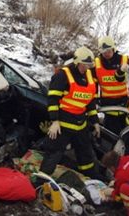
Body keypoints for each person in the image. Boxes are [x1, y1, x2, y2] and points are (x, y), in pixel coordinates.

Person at [39, 46, 102, 180]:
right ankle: (41, 182)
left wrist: (95, 121)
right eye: (84, 65)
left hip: (80, 125)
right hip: (63, 124)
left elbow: (90, 102)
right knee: (53, 154)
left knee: (86, 155)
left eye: (89, 65)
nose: (87, 68)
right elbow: (53, 99)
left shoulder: (90, 76)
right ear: (77, 62)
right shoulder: (62, 75)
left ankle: (92, 180)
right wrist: (55, 121)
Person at [94, 36, 129, 135]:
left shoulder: (124, 60)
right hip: (107, 104)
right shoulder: (96, 63)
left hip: (124, 103)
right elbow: (93, 85)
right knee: (109, 133)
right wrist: (94, 100)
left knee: (125, 133)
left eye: (108, 51)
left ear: (113, 49)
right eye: (104, 52)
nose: (106, 54)